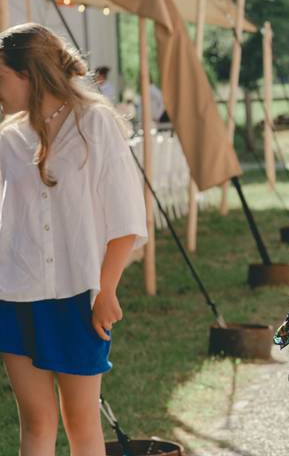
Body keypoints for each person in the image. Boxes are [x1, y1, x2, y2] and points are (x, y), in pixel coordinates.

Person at [0, 24, 148, 455]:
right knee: (36, 421)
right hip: (15, 295)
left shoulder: (94, 123)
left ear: (28, 73)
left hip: (79, 295)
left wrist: (107, 289)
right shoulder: (8, 139)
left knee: (82, 422)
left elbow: (125, 218)